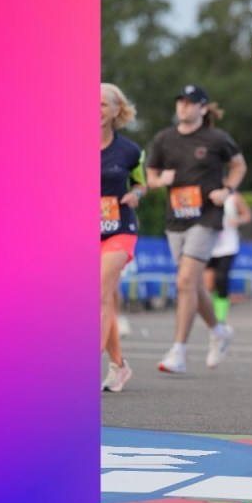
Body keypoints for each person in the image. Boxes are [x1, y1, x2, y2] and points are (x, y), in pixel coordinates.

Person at [145, 85, 247, 374]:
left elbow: (239, 166)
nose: (183, 107)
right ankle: (218, 331)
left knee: (185, 281)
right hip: (176, 219)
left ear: (203, 108)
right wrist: (158, 180)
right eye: (180, 101)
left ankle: (179, 350)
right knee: (192, 284)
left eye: (190, 103)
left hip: (206, 218)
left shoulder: (217, 139)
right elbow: (150, 175)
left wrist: (227, 190)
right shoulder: (164, 139)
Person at [101, 83, 147, 392]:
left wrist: (136, 194)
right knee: (100, 299)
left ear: (117, 110)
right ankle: (118, 365)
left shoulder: (129, 150)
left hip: (119, 228)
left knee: (100, 294)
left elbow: (141, 183)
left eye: (103, 104)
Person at [204, 190, 252, 325]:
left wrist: (239, 220)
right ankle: (212, 311)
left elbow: (248, 215)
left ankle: (220, 316)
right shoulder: (206, 193)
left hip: (228, 245)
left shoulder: (234, 197)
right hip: (210, 245)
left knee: (221, 278)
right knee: (208, 283)